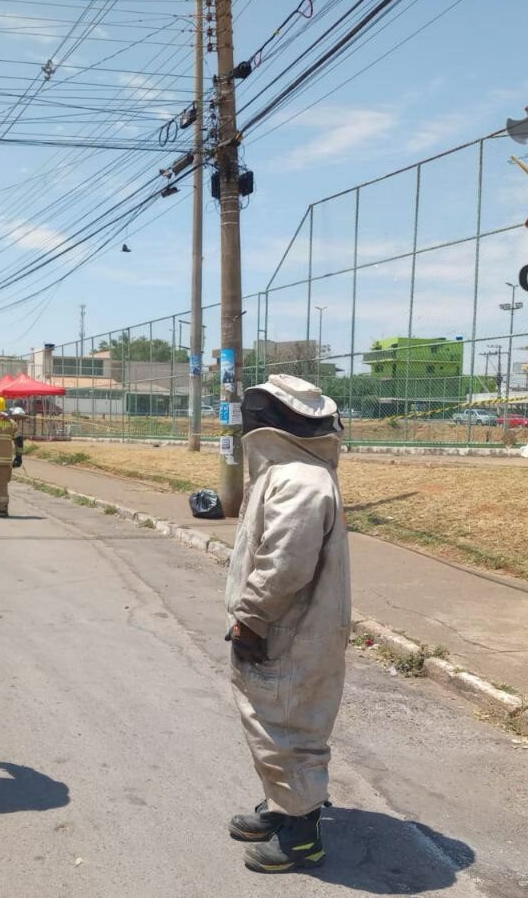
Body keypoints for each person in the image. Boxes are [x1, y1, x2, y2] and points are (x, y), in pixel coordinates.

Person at [223, 374, 351, 874]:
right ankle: (285, 807)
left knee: (288, 727)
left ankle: (302, 837)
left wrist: (250, 620)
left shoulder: (298, 479)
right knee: (273, 723)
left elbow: (284, 565)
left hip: (287, 632)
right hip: (290, 628)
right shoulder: (293, 471)